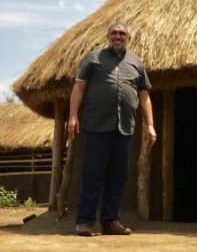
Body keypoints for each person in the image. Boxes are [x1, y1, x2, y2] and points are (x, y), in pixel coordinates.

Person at [69, 20, 156, 237]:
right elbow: (79, 88)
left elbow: (144, 97)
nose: (118, 36)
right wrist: (72, 117)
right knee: (92, 174)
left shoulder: (137, 63)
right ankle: (85, 222)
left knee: (117, 177)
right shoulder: (94, 58)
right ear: (108, 37)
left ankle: (110, 221)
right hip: (97, 125)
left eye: (122, 33)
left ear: (129, 38)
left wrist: (151, 125)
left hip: (124, 128)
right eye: (114, 33)